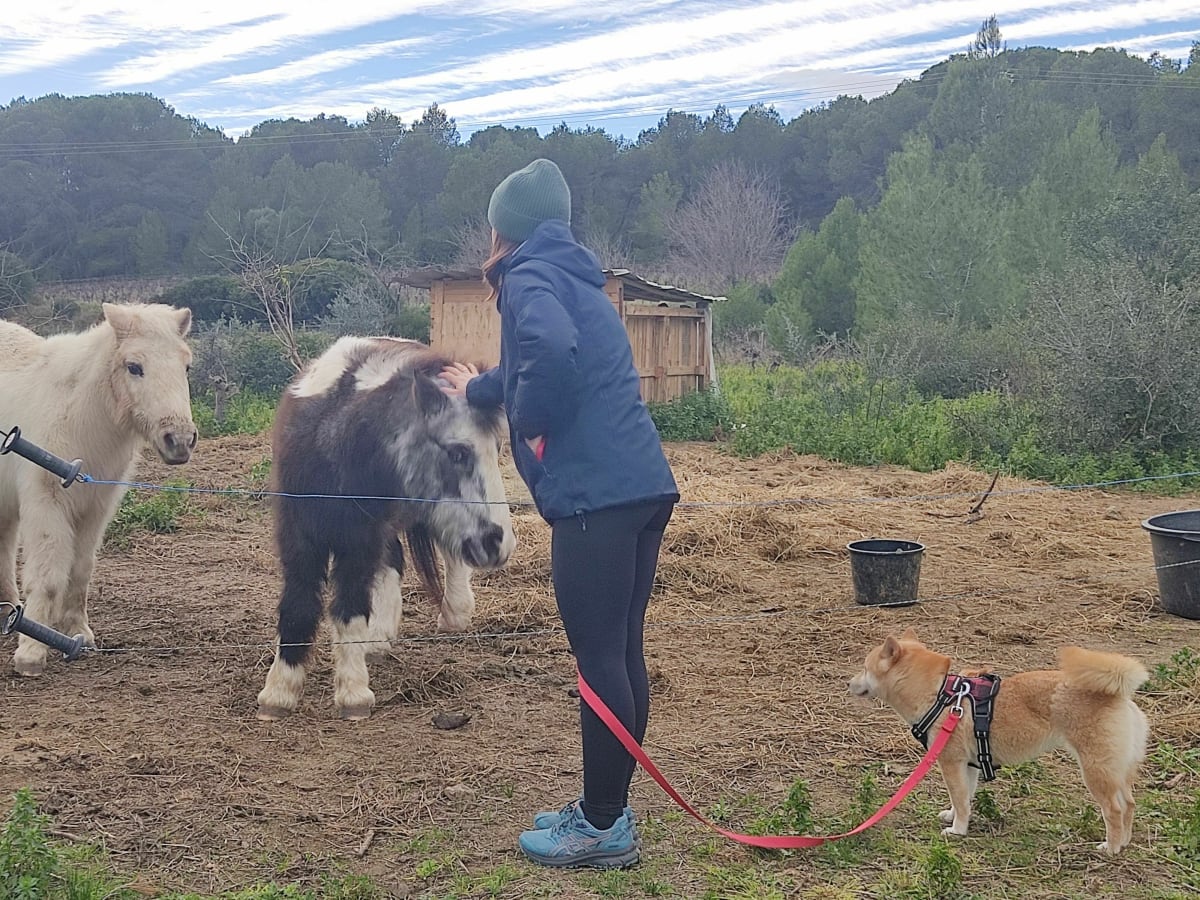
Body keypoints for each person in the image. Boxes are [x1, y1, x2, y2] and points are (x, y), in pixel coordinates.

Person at [439, 158, 679, 869]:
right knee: (621, 651)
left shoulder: (524, 276)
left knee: (598, 657)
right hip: (642, 486)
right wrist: (480, 388)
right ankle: (609, 810)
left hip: (593, 498)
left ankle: (601, 827)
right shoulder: (576, 276)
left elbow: (546, 352)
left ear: (504, 230)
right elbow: (535, 357)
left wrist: (532, 423)